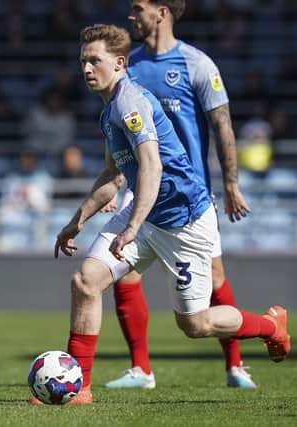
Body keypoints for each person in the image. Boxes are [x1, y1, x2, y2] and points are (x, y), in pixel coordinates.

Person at [30, 24, 290, 405]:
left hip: (184, 221)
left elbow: (152, 166)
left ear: (119, 63)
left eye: (94, 61)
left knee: (196, 324)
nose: (86, 68)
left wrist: (132, 225)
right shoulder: (108, 111)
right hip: (147, 214)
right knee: (86, 282)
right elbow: (113, 175)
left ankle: (270, 327)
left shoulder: (129, 103)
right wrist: (78, 219)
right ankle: (79, 387)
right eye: (83, 61)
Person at [105, 0, 257, 390]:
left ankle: (235, 365)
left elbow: (221, 124)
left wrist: (230, 183)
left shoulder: (197, 64)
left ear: (162, 12)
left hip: (188, 194)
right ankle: (141, 370)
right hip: (142, 189)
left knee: (215, 277)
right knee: (122, 271)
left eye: (138, 8)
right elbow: (123, 133)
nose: (130, 16)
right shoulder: (129, 66)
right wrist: (114, 183)